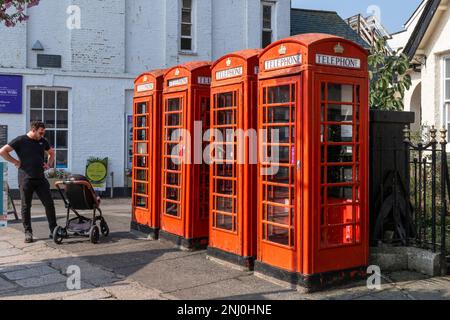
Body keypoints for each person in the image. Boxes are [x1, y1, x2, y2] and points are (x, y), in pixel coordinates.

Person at [0, 121, 58, 243]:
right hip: (25, 178)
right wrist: (15, 161)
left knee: (49, 204)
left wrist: (48, 164)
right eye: (40, 133)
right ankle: (28, 232)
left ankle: (53, 230)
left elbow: (52, 153)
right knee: (26, 206)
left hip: (41, 178)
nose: (42, 135)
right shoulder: (20, 140)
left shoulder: (43, 141)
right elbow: (3, 151)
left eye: (43, 133)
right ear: (33, 130)